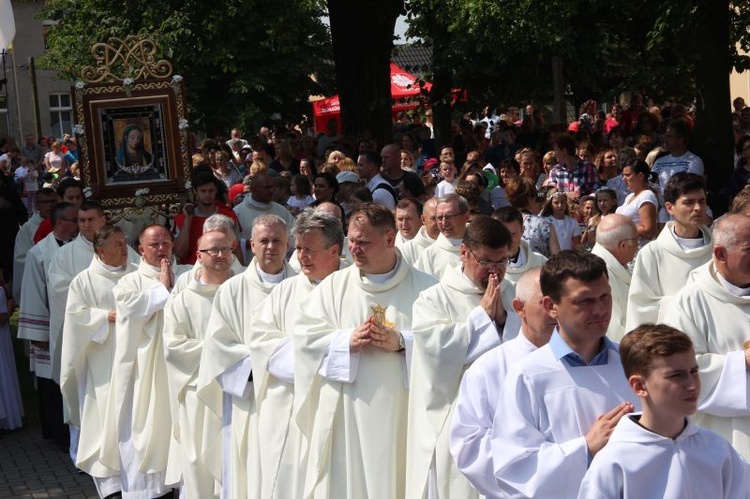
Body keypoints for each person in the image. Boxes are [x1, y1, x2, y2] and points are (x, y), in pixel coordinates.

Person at [294, 203, 437, 498]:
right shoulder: (333, 287)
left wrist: (403, 343)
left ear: (389, 239)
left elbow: (446, 346)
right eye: (351, 241)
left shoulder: (426, 288)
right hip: (348, 413)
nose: (354, 249)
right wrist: (344, 340)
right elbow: (303, 339)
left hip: (404, 413)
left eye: (363, 242)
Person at [490, 250, 639, 498]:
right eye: (585, 301)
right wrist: (585, 448)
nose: (600, 309)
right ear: (551, 306)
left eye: (605, 297)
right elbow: (514, 468)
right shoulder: (528, 375)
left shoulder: (633, 364)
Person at [407, 216, 519, 499]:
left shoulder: (514, 295)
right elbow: (434, 353)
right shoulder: (433, 298)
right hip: (454, 417)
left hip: (508, 417)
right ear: (465, 253)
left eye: (502, 262)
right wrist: (482, 318)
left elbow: (532, 345)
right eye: (486, 262)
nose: (495, 273)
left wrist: (505, 320)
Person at [578, 324, 750, 498]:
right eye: (676, 375)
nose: (692, 384)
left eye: (694, 371)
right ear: (639, 385)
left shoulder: (718, 450)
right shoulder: (614, 462)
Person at [197, 214, 296, 498]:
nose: (270, 247)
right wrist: (271, 362)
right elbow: (219, 348)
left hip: (292, 396)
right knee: (250, 471)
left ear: (287, 244)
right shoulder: (232, 290)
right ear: (251, 244)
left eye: (277, 241)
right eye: (263, 241)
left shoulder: (305, 287)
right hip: (249, 399)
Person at [251, 210, 345, 498]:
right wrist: (324, 354)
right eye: (299, 248)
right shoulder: (285, 291)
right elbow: (262, 342)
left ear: (334, 250)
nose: (302, 256)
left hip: (340, 406)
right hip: (289, 410)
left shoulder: (355, 288)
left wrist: (327, 351)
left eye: (310, 250)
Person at [100, 225, 191, 498]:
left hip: (182, 368)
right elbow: (130, 311)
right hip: (147, 373)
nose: (161, 249)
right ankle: (148, 490)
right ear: (141, 249)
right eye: (154, 245)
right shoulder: (129, 282)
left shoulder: (188, 275)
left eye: (165, 242)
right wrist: (162, 289)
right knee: (148, 427)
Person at [449, 268, 556, 498]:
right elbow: (470, 447)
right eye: (545, 303)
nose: (555, 312)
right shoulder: (488, 369)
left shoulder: (584, 362)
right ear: (520, 309)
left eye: (560, 302)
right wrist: (556, 464)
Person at [662, 214, 750, 460]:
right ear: (721, 254)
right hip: (721, 438)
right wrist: (740, 362)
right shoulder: (689, 302)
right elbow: (674, 368)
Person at [60, 225, 137, 498]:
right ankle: (110, 481)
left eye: (124, 242)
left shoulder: (135, 274)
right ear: (101, 250)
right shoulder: (83, 281)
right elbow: (75, 318)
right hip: (102, 363)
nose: (124, 247)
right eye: (117, 244)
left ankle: (136, 477)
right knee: (107, 419)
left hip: (136, 361)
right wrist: (105, 317)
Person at [164, 219, 239, 498]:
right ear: (199, 256)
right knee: (199, 462)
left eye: (225, 249)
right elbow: (173, 347)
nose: (220, 255)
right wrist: (221, 351)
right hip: (198, 393)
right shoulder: (182, 300)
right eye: (213, 250)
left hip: (239, 390)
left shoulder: (243, 291)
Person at [17, 202, 79, 451]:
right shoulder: (39, 253)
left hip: (75, 322)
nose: (78, 224)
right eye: (74, 219)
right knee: (51, 380)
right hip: (51, 324)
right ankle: (58, 433)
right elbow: (33, 292)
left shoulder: (79, 249)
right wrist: (39, 334)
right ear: (60, 222)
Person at [626, 172, 712, 329]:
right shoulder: (652, 253)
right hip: (671, 342)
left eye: (702, 201)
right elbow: (640, 308)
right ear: (670, 208)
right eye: (689, 203)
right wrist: (692, 304)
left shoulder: (719, 251)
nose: (698, 208)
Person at [174, 173, 241, 265]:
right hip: (192, 270)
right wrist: (188, 220)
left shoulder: (229, 216)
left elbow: (236, 248)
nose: (207, 194)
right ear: (195, 191)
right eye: (203, 191)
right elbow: (180, 252)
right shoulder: (183, 219)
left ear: (216, 191)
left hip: (223, 269)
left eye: (211, 190)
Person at [591, 214, 638, 341]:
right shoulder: (599, 275)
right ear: (623, 245)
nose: (638, 245)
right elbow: (614, 332)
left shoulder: (614, 265)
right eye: (636, 240)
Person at [12, 188, 58, 302]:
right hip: (38, 279)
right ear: (37, 205)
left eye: (53, 201)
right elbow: (21, 258)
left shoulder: (66, 223)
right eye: (45, 202)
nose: (50, 205)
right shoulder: (27, 229)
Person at [233, 172, 295, 252]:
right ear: (253, 189)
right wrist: (248, 243)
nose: (271, 190)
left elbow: (293, 237)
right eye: (267, 188)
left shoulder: (281, 211)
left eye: (272, 187)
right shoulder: (238, 213)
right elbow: (231, 243)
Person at [491, 206, 547, 293]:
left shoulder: (540, 262)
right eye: (503, 234)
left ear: (522, 231)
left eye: (513, 234)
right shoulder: (487, 267)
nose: (508, 239)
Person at [415, 194, 472, 278]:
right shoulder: (429, 255)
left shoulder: (481, 246)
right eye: (439, 218)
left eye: (449, 216)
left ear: (466, 216)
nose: (444, 223)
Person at [615, 159, 658, 248]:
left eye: (627, 175)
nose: (624, 179)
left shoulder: (647, 196)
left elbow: (648, 231)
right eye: (623, 175)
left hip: (641, 251)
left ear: (640, 176)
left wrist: (621, 226)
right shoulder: (629, 197)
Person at [546, 134, 600, 201]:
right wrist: (566, 194)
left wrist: (584, 199)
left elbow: (596, 190)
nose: (555, 153)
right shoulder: (555, 171)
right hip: (562, 209)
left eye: (556, 150)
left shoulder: (589, 168)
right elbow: (550, 192)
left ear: (564, 151)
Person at [401, 197, 439, 265]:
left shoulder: (457, 243)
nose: (441, 222)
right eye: (434, 218)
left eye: (444, 217)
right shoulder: (409, 249)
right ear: (423, 219)